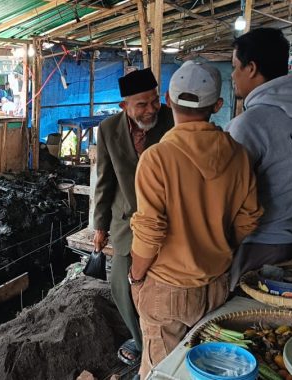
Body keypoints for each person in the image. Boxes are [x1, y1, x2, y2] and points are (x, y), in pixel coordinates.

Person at [130, 61, 263, 378]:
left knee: (161, 372)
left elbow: (149, 232)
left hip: (166, 287)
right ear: (217, 105)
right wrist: (216, 247)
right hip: (215, 284)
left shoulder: (157, 158)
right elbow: (249, 219)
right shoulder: (239, 155)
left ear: (166, 99)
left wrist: (136, 277)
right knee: (202, 370)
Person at [227, 28, 292, 289]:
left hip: (259, 243)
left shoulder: (250, 124)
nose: (233, 75)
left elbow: (228, 194)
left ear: (252, 68)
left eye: (235, 66)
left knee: (247, 317)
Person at [93, 67, 174, 368]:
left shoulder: (171, 120)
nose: (151, 109)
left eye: (154, 100)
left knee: (160, 285)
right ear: (124, 106)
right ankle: (141, 341)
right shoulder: (108, 129)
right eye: (142, 104)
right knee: (120, 285)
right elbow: (105, 180)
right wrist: (100, 225)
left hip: (167, 221)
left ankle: (162, 340)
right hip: (126, 221)